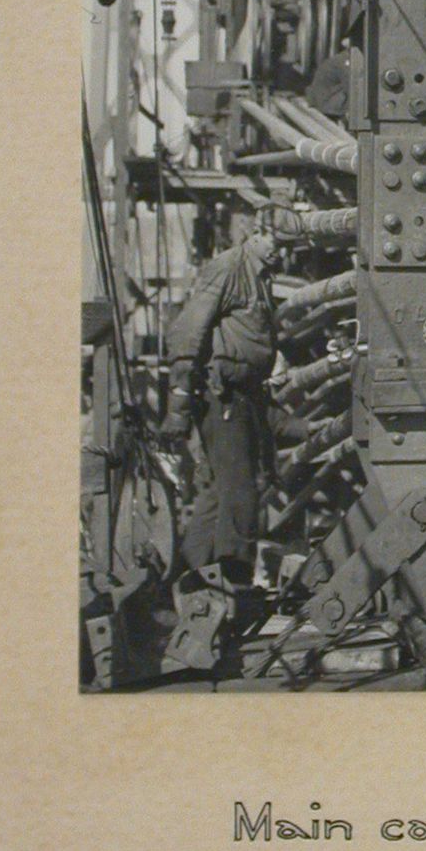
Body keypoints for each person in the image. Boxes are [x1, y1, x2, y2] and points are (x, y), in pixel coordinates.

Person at [161, 227, 283, 591]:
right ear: (256, 233)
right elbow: (189, 331)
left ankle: (187, 583)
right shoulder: (229, 267)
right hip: (223, 396)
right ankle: (233, 583)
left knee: (218, 495)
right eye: (275, 240)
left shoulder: (262, 273)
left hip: (243, 395)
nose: (280, 249)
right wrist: (179, 401)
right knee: (242, 494)